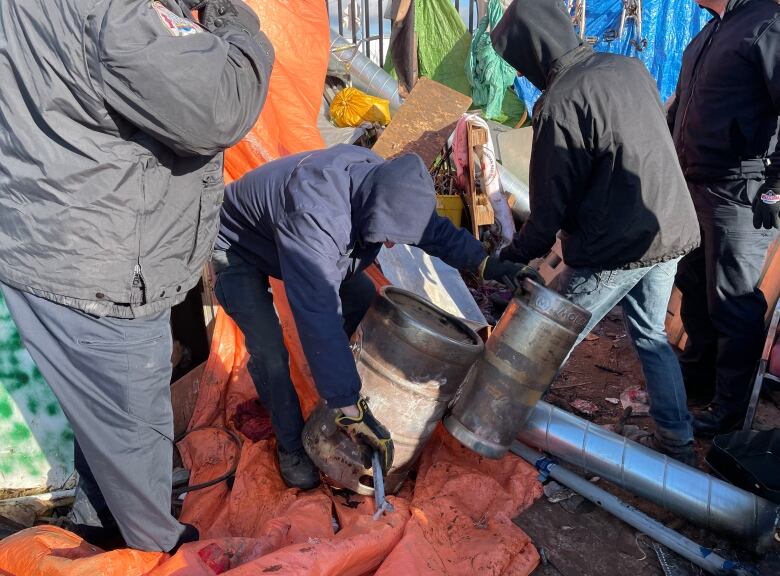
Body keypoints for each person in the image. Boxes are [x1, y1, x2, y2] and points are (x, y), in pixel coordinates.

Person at [0, 0, 274, 552]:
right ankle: (155, 553)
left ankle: (98, 527)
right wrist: (233, 19)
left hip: (48, 235)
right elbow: (220, 103)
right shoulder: (113, 11)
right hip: (98, 262)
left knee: (100, 418)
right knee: (135, 437)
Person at [212, 144, 540, 489]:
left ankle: (349, 397)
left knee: (366, 301)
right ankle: (293, 444)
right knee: (270, 353)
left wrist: (485, 263)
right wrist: (347, 405)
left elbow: (433, 230)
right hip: (236, 247)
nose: (391, 246)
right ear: (372, 213)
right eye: (385, 237)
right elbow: (318, 316)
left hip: (291, 236)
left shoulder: (389, 185)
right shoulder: (316, 218)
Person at [491, 0, 701, 464]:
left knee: (550, 335)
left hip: (617, 246)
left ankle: (500, 423)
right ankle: (677, 439)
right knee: (649, 333)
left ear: (531, 52)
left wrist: (512, 254)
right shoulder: (627, 67)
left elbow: (548, 209)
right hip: (668, 226)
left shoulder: (561, 101)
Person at [668, 0, 780, 436]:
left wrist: (776, 186)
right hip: (694, 184)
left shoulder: (767, 24)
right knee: (693, 283)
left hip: (740, 189)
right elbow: (681, 110)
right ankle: (698, 376)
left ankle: (730, 410)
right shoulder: (706, 35)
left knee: (732, 301)